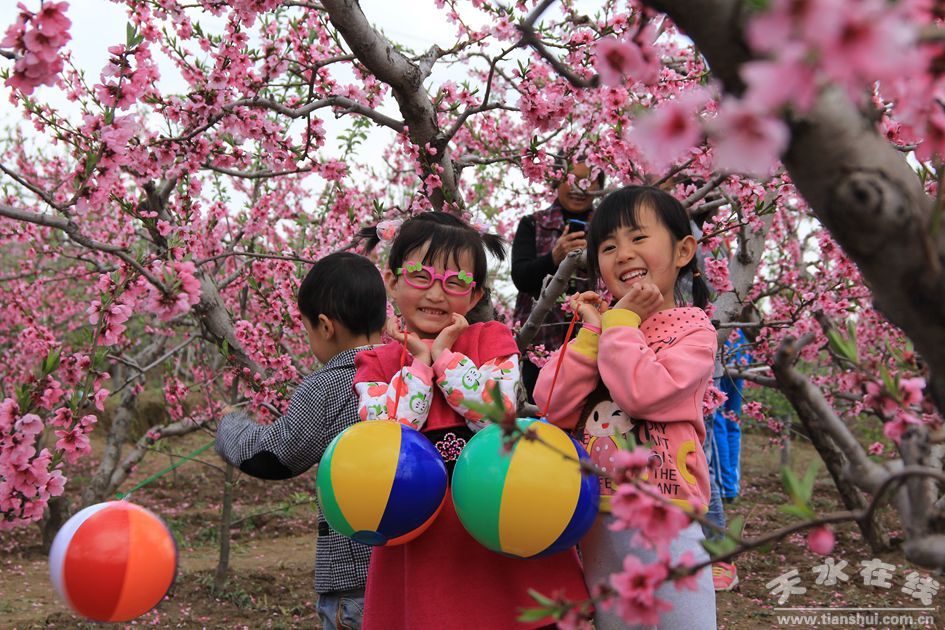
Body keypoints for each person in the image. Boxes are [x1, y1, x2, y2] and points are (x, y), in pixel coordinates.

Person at [353, 212, 589, 630]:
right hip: (423, 542)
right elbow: (392, 433)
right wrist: (419, 367)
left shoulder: (491, 340)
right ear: (391, 280)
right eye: (421, 276)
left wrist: (444, 358)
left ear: (475, 293)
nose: (437, 294)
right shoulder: (376, 362)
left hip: (503, 526)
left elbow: (497, 416)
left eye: (455, 282)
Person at [534, 185, 717, 629]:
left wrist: (619, 325)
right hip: (599, 520)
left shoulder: (693, 330)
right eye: (609, 246)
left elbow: (643, 393)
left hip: (665, 515)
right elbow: (551, 403)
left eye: (638, 238)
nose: (623, 254)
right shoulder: (607, 331)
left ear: (683, 251)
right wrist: (594, 335)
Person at [215, 252, 387, 630]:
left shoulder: (328, 385)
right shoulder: (415, 371)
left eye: (307, 328)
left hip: (353, 580)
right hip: (406, 572)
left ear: (325, 327)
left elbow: (275, 456)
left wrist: (229, 427)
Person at [511, 160, 605, 401]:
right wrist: (554, 257)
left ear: (599, 187)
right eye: (571, 179)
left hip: (595, 347)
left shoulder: (608, 229)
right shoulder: (532, 223)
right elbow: (521, 278)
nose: (578, 187)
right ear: (557, 180)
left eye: (588, 181)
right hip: (538, 349)